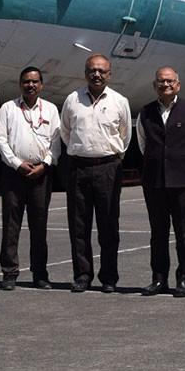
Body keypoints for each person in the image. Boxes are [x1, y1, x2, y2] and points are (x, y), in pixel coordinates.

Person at [60, 53, 131, 293]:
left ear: (109, 74)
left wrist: (109, 156)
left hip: (108, 168)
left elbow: (125, 135)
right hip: (78, 168)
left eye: (102, 71)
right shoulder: (72, 99)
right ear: (85, 73)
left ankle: (109, 277)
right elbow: (66, 131)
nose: (97, 74)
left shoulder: (119, 101)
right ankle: (82, 275)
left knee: (108, 225)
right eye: (92, 70)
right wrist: (82, 151)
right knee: (78, 225)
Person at [135, 66, 185, 297]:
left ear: (178, 85)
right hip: (155, 181)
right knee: (158, 233)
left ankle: (184, 279)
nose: (165, 85)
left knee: (184, 232)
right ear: (154, 85)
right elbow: (143, 143)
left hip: (183, 181)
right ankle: (159, 279)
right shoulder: (146, 112)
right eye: (161, 81)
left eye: (170, 81)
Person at [0, 66, 60, 291]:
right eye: (26, 82)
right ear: (20, 84)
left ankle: (40, 274)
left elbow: (56, 142)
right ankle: (9, 273)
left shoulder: (50, 109)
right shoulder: (8, 108)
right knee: (11, 226)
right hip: (14, 174)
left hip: (41, 174)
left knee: (39, 226)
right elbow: (0, 140)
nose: (30, 85)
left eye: (34, 82)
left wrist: (45, 164)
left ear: (41, 85)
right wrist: (16, 164)